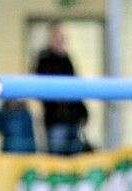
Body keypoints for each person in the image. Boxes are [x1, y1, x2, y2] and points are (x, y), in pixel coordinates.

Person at [33, 22, 89, 156]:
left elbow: (75, 87)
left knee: (74, 156)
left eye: (62, 38)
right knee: (57, 156)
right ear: (50, 39)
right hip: (56, 119)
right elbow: (43, 83)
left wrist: (83, 112)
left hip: (72, 118)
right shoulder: (44, 59)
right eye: (57, 38)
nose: (60, 41)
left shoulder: (67, 59)